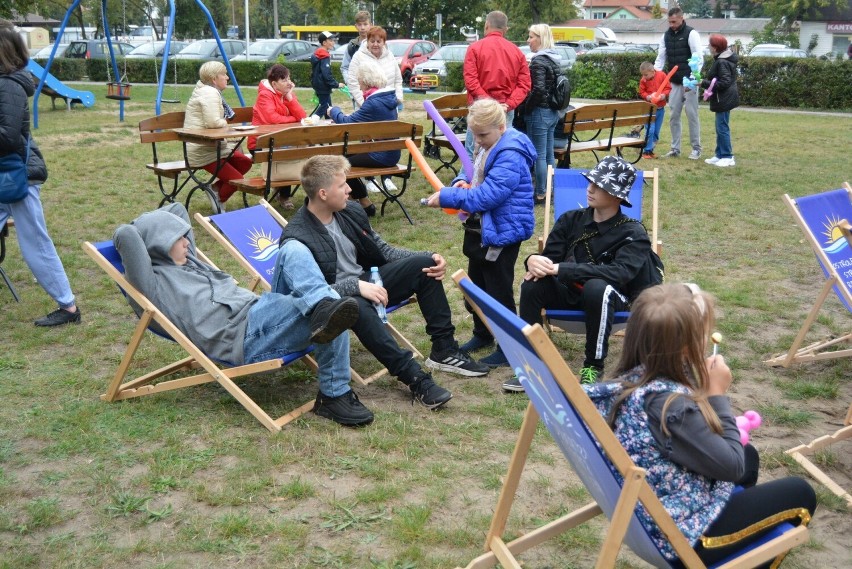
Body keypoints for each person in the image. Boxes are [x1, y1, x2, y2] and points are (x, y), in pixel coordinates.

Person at [585, 283, 816, 567]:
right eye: (704, 332)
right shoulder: (672, 407)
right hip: (681, 535)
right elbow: (732, 466)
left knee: (749, 457)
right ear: (685, 348)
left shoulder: (632, 382)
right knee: (800, 492)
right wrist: (717, 395)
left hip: (645, 512)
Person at [114, 202, 374, 427]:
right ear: (157, 245)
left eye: (185, 236)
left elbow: (176, 209)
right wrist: (148, 227)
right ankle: (334, 393)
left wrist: (163, 227)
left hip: (264, 311)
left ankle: (322, 306)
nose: (186, 242)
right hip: (246, 335)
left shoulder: (187, 259)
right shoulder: (153, 285)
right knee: (329, 304)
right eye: (177, 238)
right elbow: (126, 234)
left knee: (292, 251)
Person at [281, 156, 490, 409]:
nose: (350, 189)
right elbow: (311, 294)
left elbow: (383, 250)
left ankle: (444, 350)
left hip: (366, 280)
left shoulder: (350, 211)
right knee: (355, 305)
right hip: (333, 300)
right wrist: (357, 287)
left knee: (423, 266)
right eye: (342, 185)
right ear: (323, 193)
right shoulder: (297, 239)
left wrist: (428, 256)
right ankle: (416, 379)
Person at [516, 156, 660, 390]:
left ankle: (593, 366)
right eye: (590, 182)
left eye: (598, 185)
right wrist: (532, 260)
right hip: (569, 294)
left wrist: (564, 269)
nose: (589, 189)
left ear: (616, 196)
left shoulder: (633, 233)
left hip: (611, 301)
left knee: (597, 287)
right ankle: (532, 365)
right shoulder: (570, 220)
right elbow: (550, 260)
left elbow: (620, 273)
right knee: (532, 283)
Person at [426, 98, 536, 369]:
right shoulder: (487, 144)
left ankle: (509, 346)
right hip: (481, 228)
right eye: (474, 135)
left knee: (497, 290)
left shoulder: (511, 152)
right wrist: (459, 183)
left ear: (501, 126)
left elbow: (488, 196)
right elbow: (470, 170)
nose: (478, 141)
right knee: (475, 287)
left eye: (483, 135)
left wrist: (448, 197)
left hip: (503, 230)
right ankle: (483, 333)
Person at [0, 19, 81, 327]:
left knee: (35, 243)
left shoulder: (8, 85)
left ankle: (69, 307)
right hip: (7, 173)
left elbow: (7, 137)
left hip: (17, 175)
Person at [328, 60, 397, 217]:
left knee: (339, 162)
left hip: (381, 155)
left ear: (366, 82)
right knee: (344, 158)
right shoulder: (388, 98)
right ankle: (360, 200)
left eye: (359, 82)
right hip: (390, 152)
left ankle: (363, 201)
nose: (359, 87)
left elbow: (347, 123)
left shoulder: (373, 102)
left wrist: (334, 111)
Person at [183, 61, 252, 211]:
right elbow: (213, 122)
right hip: (203, 150)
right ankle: (219, 198)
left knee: (245, 162)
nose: (227, 77)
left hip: (214, 147)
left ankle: (215, 188)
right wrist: (227, 125)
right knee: (238, 179)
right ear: (214, 79)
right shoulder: (210, 92)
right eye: (224, 74)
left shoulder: (207, 91)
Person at [463, 11, 531, 158]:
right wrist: (509, 103)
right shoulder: (516, 52)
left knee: (472, 154)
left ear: (486, 25)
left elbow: (471, 81)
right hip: (505, 109)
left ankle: (470, 180)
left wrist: (488, 103)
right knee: (504, 151)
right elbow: (524, 84)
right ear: (505, 29)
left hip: (480, 109)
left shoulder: (475, 48)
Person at [248, 63, 306, 209]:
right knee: (287, 151)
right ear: (274, 83)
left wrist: (289, 97)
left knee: (299, 149)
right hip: (260, 143)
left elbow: (302, 116)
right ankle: (283, 195)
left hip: (280, 141)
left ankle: (282, 193)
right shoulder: (264, 95)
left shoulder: (286, 94)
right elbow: (272, 120)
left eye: (289, 79)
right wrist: (293, 119)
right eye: (284, 80)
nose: (289, 82)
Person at [520, 24, 561, 204]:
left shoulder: (538, 61)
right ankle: (551, 189)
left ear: (540, 38)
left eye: (531, 37)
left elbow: (537, 90)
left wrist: (526, 108)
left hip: (539, 113)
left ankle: (541, 193)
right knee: (548, 154)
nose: (528, 41)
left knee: (538, 155)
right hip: (552, 112)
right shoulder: (553, 59)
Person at [654, 6, 702, 160]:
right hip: (674, 82)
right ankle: (675, 149)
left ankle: (696, 148)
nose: (672, 25)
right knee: (674, 115)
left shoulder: (691, 33)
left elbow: (698, 56)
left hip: (690, 81)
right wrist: (655, 76)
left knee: (692, 114)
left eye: (674, 21)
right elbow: (660, 58)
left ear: (682, 18)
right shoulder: (665, 36)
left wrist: (695, 78)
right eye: (669, 22)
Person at [702, 34, 739, 168]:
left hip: (724, 98)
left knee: (722, 128)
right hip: (722, 98)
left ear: (715, 47)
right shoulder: (722, 59)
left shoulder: (722, 61)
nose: (708, 47)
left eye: (710, 45)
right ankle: (719, 155)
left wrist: (703, 83)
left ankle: (728, 156)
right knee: (720, 127)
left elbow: (724, 82)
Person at [346, 26, 404, 110]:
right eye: (372, 41)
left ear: (384, 42)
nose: (375, 44)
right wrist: (364, 104)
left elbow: (398, 80)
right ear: (367, 41)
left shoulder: (390, 56)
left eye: (378, 41)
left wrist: (397, 99)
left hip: (389, 107)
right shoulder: (358, 56)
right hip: (366, 109)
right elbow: (352, 82)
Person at [638, 61, 671, 159]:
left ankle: (650, 149)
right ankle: (646, 151)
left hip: (660, 109)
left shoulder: (661, 75)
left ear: (653, 71)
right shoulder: (643, 80)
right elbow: (641, 92)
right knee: (650, 130)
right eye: (643, 75)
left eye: (646, 75)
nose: (644, 77)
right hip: (649, 109)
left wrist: (663, 95)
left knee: (656, 132)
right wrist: (648, 97)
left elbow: (668, 87)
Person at [341, 10, 372, 105]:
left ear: (370, 25)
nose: (362, 27)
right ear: (356, 26)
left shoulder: (376, 44)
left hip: (375, 90)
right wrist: (351, 83)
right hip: (357, 91)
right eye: (360, 24)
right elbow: (345, 67)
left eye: (365, 24)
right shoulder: (351, 46)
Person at [310, 31, 344, 120]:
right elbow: (326, 74)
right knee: (324, 106)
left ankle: (329, 124)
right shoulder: (324, 55)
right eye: (331, 40)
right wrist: (336, 84)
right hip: (323, 86)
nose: (333, 42)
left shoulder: (318, 54)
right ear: (324, 43)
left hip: (318, 84)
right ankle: (310, 122)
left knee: (328, 108)